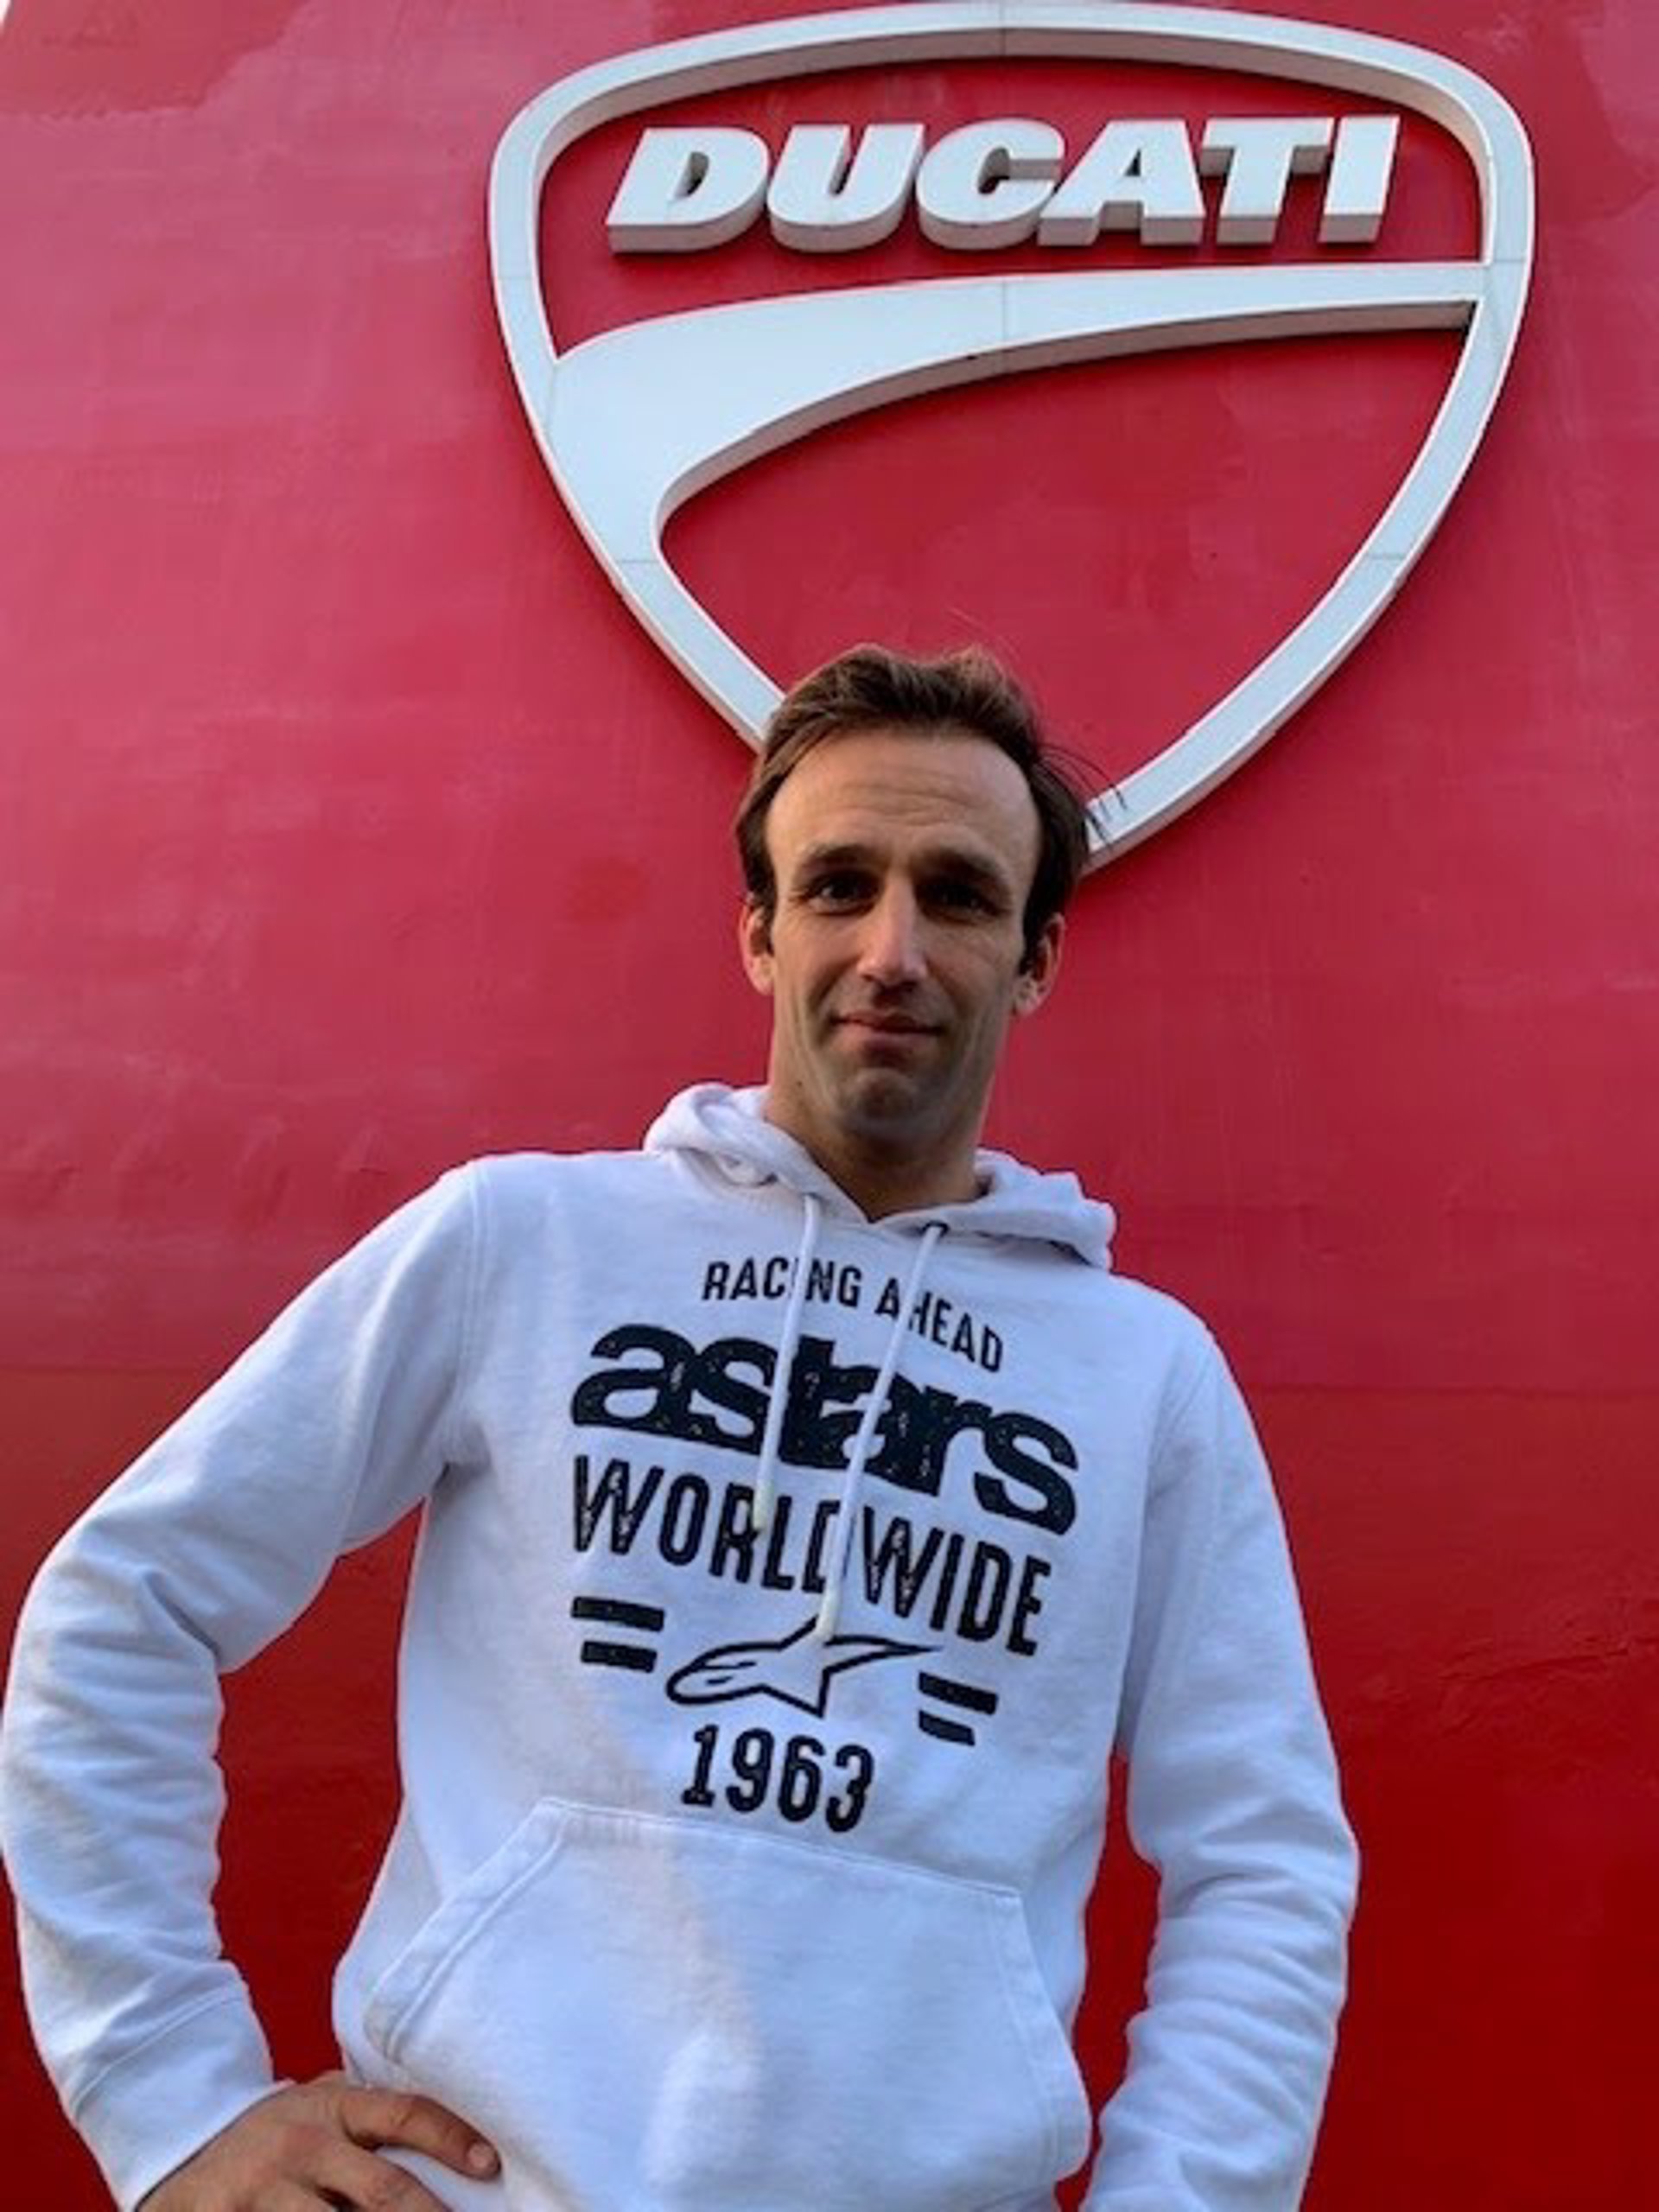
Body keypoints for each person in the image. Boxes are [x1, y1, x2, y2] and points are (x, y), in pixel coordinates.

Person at [2, 644, 1357, 2212]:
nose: (893, 950)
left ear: (1036, 955)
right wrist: (170, 2099)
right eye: (838, 886)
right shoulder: (522, 1244)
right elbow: (125, 1603)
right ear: (760, 932)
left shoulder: (1145, 1378)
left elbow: (1264, 1857)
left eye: (959, 897)